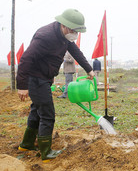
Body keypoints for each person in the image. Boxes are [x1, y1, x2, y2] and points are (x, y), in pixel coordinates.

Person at [16, 9, 95, 162]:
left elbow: (76, 52)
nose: (75, 34)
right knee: (47, 114)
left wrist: (89, 69)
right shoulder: (45, 36)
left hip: (45, 78)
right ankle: (46, 153)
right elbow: (26, 59)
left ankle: (26, 144)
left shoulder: (65, 37)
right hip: (36, 78)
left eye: (77, 31)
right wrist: (22, 85)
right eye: (73, 30)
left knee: (36, 110)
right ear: (64, 25)